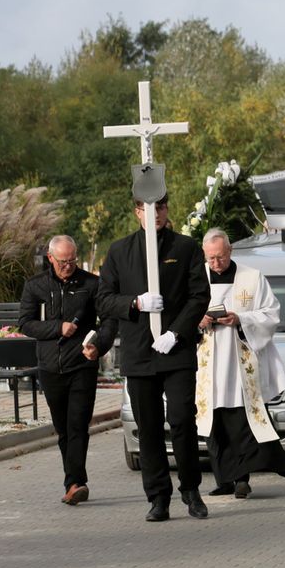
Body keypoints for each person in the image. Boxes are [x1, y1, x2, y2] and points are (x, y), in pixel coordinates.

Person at [98, 195, 211, 521]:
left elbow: (199, 295)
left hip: (175, 350)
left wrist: (176, 332)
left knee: (181, 420)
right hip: (139, 352)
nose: (155, 214)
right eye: (148, 209)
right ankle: (158, 497)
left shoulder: (186, 248)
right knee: (147, 428)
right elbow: (104, 299)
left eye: (160, 207)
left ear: (167, 209)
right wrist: (134, 304)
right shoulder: (120, 251)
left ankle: (190, 489)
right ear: (137, 212)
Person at [19, 235, 117, 506]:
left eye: (72, 260)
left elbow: (109, 320)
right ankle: (71, 479)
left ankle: (76, 482)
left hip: (82, 365)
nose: (68, 266)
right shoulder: (35, 286)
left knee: (78, 424)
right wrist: (57, 327)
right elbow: (25, 324)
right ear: (51, 258)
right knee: (63, 428)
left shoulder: (92, 284)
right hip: (50, 366)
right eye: (63, 262)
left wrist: (98, 345)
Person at [196, 229, 285, 498]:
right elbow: (182, 313)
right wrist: (200, 320)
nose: (215, 264)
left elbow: (271, 313)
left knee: (239, 424)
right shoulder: (195, 278)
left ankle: (241, 479)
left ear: (230, 252)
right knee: (213, 426)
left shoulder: (252, 277)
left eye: (220, 257)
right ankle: (224, 479)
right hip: (206, 363)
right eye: (211, 258)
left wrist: (240, 319)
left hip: (239, 361)